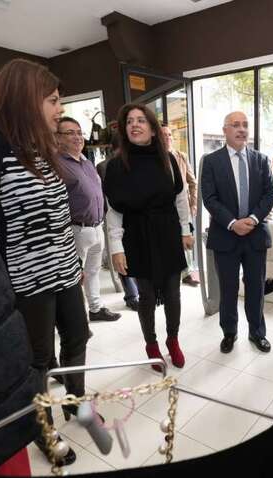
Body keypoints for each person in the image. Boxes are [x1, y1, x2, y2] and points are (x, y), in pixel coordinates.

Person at [0, 58, 92, 466]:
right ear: (25, 97)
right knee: (38, 359)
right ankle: (42, 428)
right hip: (25, 277)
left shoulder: (39, 145)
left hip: (64, 267)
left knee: (78, 338)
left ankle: (77, 405)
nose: (58, 109)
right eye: (52, 100)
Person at [103, 104, 192, 370]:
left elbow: (180, 197)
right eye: (130, 121)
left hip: (167, 232)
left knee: (174, 293)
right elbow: (114, 212)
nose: (135, 125)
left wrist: (185, 231)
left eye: (141, 120)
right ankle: (151, 344)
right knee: (147, 297)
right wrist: (117, 249)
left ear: (153, 129)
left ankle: (173, 340)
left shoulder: (168, 159)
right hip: (137, 234)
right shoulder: (116, 166)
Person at [201, 111, 273, 354]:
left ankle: (257, 333)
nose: (242, 129)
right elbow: (209, 198)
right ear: (225, 130)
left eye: (245, 125)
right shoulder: (212, 161)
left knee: (255, 289)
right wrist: (233, 223)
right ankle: (229, 333)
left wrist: (253, 219)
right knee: (228, 289)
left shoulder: (261, 160)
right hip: (225, 236)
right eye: (236, 125)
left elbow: (270, 195)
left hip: (255, 236)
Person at [55, 116, 122, 322]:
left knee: (92, 272)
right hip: (75, 230)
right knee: (74, 278)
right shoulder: (57, 164)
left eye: (79, 132)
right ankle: (74, 320)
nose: (77, 137)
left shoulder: (86, 162)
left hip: (96, 227)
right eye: (70, 133)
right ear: (58, 138)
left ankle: (95, 309)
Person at [97, 154, 140, 311]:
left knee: (129, 256)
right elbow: (104, 194)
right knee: (121, 254)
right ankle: (131, 295)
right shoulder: (104, 166)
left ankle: (134, 293)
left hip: (132, 218)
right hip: (115, 216)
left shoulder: (134, 162)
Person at [161, 124, 200, 287]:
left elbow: (193, 182)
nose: (168, 138)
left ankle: (186, 273)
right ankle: (171, 273)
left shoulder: (181, 156)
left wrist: (194, 203)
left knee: (186, 239)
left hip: (183, 206)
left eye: (170, 135)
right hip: (164, 209)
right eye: (164, 135)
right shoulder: (155, 158)